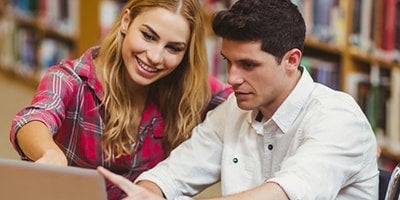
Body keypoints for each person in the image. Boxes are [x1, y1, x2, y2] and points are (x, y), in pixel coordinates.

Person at [97, 0, 379, 199]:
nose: (232, 78)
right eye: (228, 62)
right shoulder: (234, 110)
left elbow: (282, 193)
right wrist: (146, 191)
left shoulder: (337, 119)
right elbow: (172, 174)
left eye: (248, 65)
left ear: (291, 60)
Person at [9, 0, 232, 199]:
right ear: (126, 21)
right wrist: (50, 153)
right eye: (148, 36)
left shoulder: (188, 86)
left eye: (173, 48)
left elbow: (241, 100)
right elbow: (33, 119)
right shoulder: (72, 79)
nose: (155, 57)